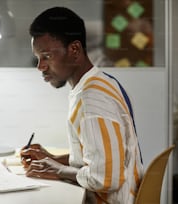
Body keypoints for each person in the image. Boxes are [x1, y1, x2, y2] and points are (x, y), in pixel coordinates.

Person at [20, 7, 144, 204]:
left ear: (74, 50)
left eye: (47, 56)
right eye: (38, 58)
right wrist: (52, 158)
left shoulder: (92, 99)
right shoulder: (99, 83)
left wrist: (58, 170)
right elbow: (99, 154)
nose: (40, 66)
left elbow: (105, 178)